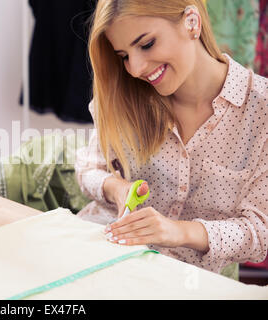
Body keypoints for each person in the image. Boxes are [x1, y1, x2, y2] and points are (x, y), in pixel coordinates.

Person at [75, 0, 267, 276]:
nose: (136, 68)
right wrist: (117, 189)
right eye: (124, 55)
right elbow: (88, 168)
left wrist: (179, 231)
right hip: (101, 257)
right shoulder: (124, 94)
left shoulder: (260, 110)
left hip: (183, 282)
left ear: (192, 22)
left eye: (147, 44)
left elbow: (259, 231)